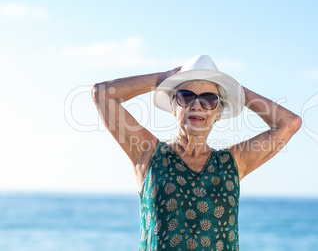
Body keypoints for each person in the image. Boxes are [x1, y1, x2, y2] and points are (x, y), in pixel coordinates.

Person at [92, 55, 302, 250]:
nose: (197, 105)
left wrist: (238, 91)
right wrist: (163, 78)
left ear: (218, 112)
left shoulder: (233, 163)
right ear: (174, 107)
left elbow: (290, 123)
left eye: (209, 99)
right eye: (186, 96)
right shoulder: (148, 153)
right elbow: (102, 94)